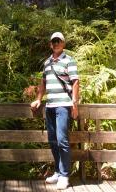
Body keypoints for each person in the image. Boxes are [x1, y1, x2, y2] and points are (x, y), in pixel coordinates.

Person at [30, 31, 80, 190]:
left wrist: (75, 103)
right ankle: (58, 172)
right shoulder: (47, 62)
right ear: (51, 44)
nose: (56, 43)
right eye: (54, 41)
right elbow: (43, 83)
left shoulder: (69, 61)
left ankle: (65, 175)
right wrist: (38, 99)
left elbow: (76, 82)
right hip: (50, 106)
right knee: (52, 140)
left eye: (59, 41)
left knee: (62, 140)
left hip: (63, 106)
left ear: (63, 43)